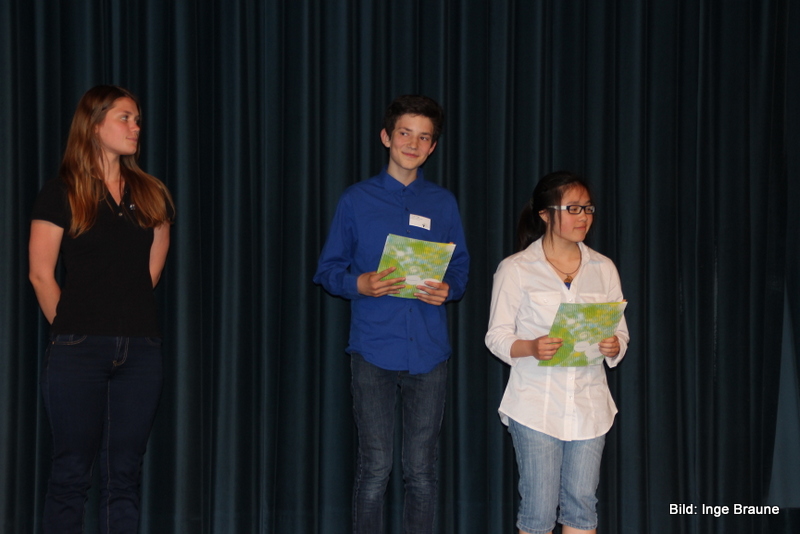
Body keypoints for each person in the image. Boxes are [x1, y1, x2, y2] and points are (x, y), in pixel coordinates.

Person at [313, 95, 469, 533]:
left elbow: (460, 267)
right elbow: (327, 270)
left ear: (432, 147)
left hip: (429, 351)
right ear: (386, 137)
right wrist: (359, 284)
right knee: (375, 467)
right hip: (373, 348)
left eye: (424, 137)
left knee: (421, 470)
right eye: (405, 133)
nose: (413, 144)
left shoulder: (443, 203)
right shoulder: (356, 200)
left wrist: (450, 288)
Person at [28, 85, 174, 534]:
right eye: (124, 118)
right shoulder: (62, 192)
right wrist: (73, 328)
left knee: (124, 473)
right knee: (71, 471)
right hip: (78, 348)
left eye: (137, 119)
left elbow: (150, 273)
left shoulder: (151, 193)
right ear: (93, 126)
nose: (135, 127)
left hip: (141, 350)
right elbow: (40, 274)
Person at [485, 171, 629, 534]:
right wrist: (531, 347)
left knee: (582, 507)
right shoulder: (516, 268)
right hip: (536, 405)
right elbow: (496, 336)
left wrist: (614, 345)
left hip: (589, 404)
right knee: (538, 510)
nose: (584, 217)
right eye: (573, 209)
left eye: (588, 209)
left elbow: (620, 331)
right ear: (545, 214)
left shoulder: (603, 268)